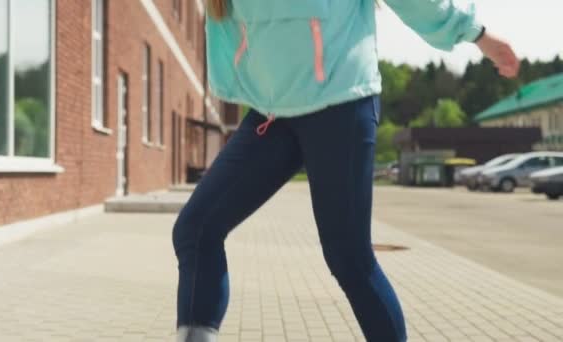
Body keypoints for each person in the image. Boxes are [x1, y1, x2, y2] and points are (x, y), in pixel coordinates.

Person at [173, 0, 519, 341]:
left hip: (341, 100)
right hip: (272, 113)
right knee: (196, 229)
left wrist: (478, 34)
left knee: (348, 257)